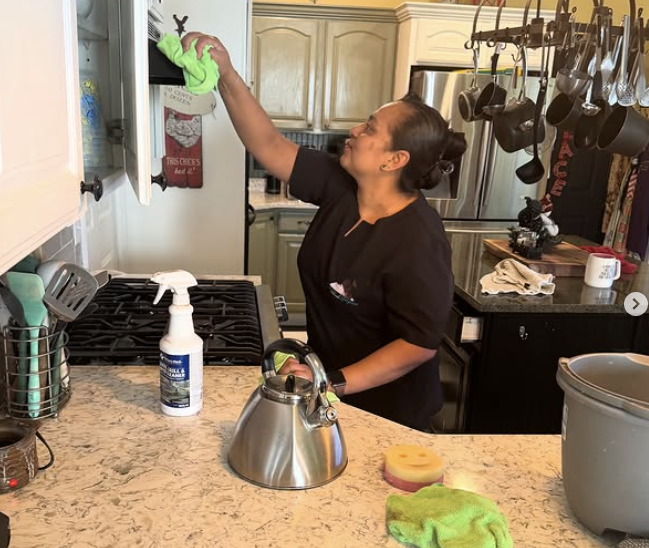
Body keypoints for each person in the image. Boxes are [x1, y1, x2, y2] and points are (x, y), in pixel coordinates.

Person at [181, 33, 467, 431]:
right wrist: (225, 73)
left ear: (394, 160)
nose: (355, 129)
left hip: (390, 414)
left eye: (370, 129)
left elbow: (417, 345)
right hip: (329, 393)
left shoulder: (419, 240)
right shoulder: (342, 186)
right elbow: (268, 144)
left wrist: (328, 382)